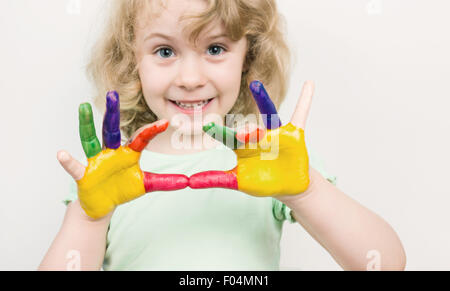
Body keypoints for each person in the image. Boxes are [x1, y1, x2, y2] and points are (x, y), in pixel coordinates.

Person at [38, 0, 406, 271]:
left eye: (215, 48)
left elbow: (385, 264)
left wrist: (307, 192)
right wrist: (89, 218)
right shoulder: (109, 172)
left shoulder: (269, 157)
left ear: (249, 58)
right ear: (132, 60)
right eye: (164, 51)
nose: (191, 77)